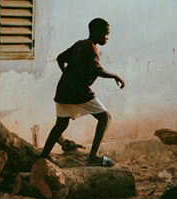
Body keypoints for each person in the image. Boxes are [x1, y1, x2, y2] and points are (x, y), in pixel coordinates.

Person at [41, 17, 124, 166]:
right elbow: (96, 69)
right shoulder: (90, 47)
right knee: (105, 117)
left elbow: (61, 58)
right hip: (78, 91)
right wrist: (115, 76)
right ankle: (93, 156)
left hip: (63, 89)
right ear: (95, 32)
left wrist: (66, 74)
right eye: (105, 34)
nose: (107, 38)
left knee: (61, 124)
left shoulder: (80, 44)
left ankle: (43, 155)